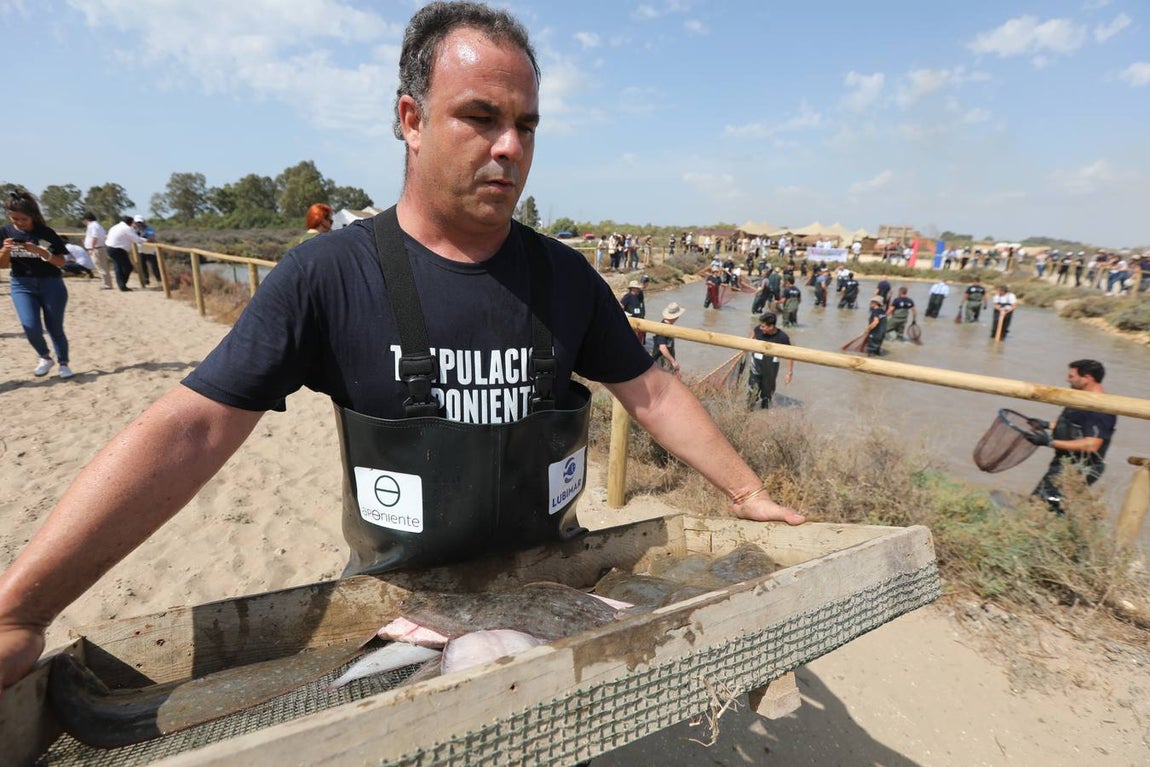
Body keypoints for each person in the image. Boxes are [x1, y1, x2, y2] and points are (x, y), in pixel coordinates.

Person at [0, 1, 802, 693]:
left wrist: (745, 491)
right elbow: (193, 427)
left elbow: (651, 390)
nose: (510, 146)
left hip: (549, 600)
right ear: (411, 120)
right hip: (401, 612)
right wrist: (23, 609)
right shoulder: (328, 276)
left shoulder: (566, 279)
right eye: (480, 117)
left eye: (525, 125)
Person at [0, 189, 74, 379]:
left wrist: (41, 252)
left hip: (51, 284)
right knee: (30, 326)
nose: (19, 223)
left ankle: (63, 363)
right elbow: (2, 265)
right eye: (14, 219)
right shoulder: (5, 232)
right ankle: (45, 357)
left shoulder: (46, 233)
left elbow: (61, 262)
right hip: (21, 285)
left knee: (54, 327)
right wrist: (5, 250)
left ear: (32, 215)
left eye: (23, 219)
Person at [1027, 360, 1117, 515]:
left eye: (1071, 376)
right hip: (1065, 463)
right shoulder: (1081, 399)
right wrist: (1046, 425)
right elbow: (1075, 427)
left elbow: (1092, 444)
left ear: (1087, 378)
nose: (1067, 380)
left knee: (1045, 507)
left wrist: (1049, 442)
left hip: (1079, 468)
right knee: (1040, 504)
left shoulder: (1100, 407)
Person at [746, 312, 792, 409]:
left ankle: (763, 412)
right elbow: (750, 339)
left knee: (767, 394)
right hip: (756, 362)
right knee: (752, 389)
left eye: (763, 326)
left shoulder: (782, 337)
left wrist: (789, 373)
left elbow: (791, 355)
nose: (760, 328)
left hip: (771, 365)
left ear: (771, 327)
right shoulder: (758, 330)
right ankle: (748, 411)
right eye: (760, 325)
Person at [104, 215, 145, 291]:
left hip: (110, 248)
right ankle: (122, 284)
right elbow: (137, 240)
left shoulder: (115, 227)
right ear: (131, 222)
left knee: (118, 267)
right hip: (118, 249)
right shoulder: (127, 228)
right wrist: (146, 240)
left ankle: (122, 285)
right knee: (128, 267)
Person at [81, 211, 113, 290]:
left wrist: (91, 248)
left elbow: (95, 237)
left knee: (100, 266)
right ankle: (107, 283)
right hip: (99, 248)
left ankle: (107, 284)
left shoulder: (93, 226)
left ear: (86, 219)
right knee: (103, 266)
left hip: (96, 249)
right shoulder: (97, 225)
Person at [651, 303, 685, 374]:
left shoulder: (669, 326)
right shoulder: (662, 328)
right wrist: (673, 361)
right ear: (676, 317)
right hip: (661, 361)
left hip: (667, 360)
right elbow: (662, 347)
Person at [133, 215, 161, 287]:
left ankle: (159, 280)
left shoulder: (149, 229)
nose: (139, 224)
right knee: (143, 266)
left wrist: (141, 239)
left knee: (154, 266)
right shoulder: (133, 230)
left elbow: (152, 238)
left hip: (150, 250)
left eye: (140, 222)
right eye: (137, 222)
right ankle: (145, 280)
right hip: (140, 250)